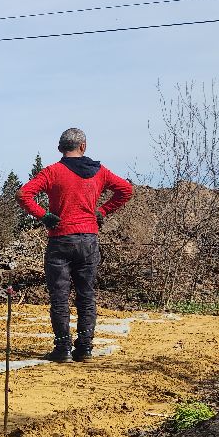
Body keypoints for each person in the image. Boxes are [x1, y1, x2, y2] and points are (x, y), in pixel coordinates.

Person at [17, 127, 133, 362]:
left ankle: (63, 349)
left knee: (60, 297)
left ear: (60, 148)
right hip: (88, 239)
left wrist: (44, 215)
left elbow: (23, 195)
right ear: (83, 146)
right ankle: (85, 348)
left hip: (60, 240)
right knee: (86, 295)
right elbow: (126, 190)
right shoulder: (100, 171)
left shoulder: (52, 171)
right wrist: (103, 211)